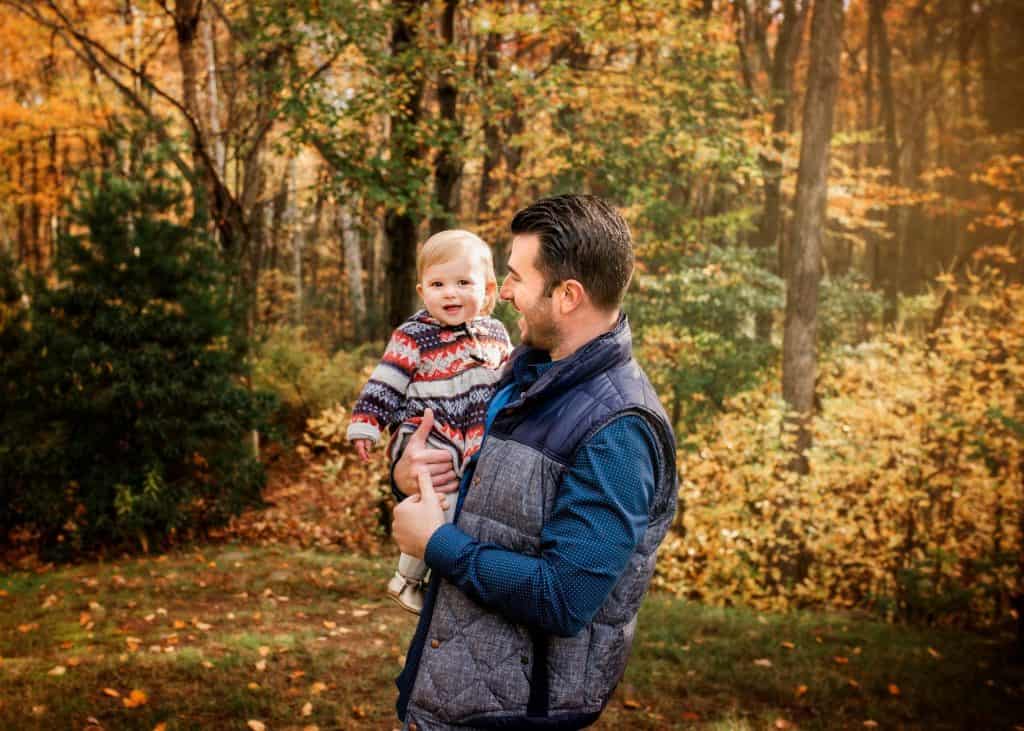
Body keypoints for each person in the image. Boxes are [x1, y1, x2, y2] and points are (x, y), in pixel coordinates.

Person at [390, 195, 678, 730]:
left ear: (567, 295)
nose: (506, 294)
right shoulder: (523, 376)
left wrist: (437, 544)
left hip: (514, 715)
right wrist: (411, 473)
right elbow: (486, 500)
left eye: (518, 277)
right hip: (448, 691)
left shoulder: (620, 430)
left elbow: (566, 597)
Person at [347, 229, 512, 614]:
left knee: (460, 509)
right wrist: (367, 423)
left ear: (488, 289)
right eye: (438, 284)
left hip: (469, 438)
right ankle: (406, 578)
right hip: (428, 431)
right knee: (439, 504)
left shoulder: (496, 335)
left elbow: (510, 381)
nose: (450, 293)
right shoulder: (415, 335)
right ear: (423, 291)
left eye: (462, 283)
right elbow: (386, 380)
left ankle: (432, 579)